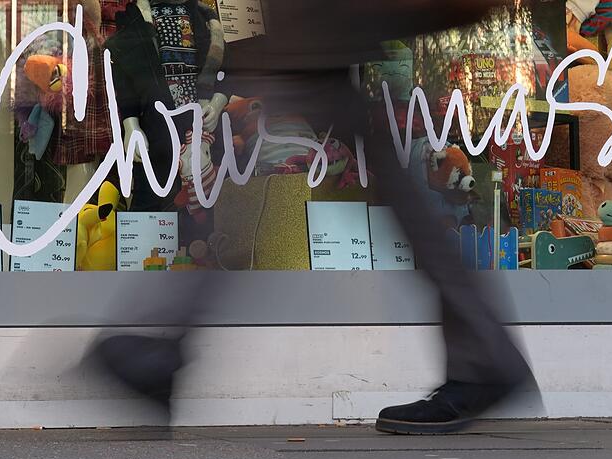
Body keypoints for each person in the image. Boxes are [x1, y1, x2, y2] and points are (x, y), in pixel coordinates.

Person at [89, 0, 535, 435]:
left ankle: (485, 352)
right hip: (315, 23)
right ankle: (484, 350)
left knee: (351, 138)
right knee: (369, 154)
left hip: (317, 21)